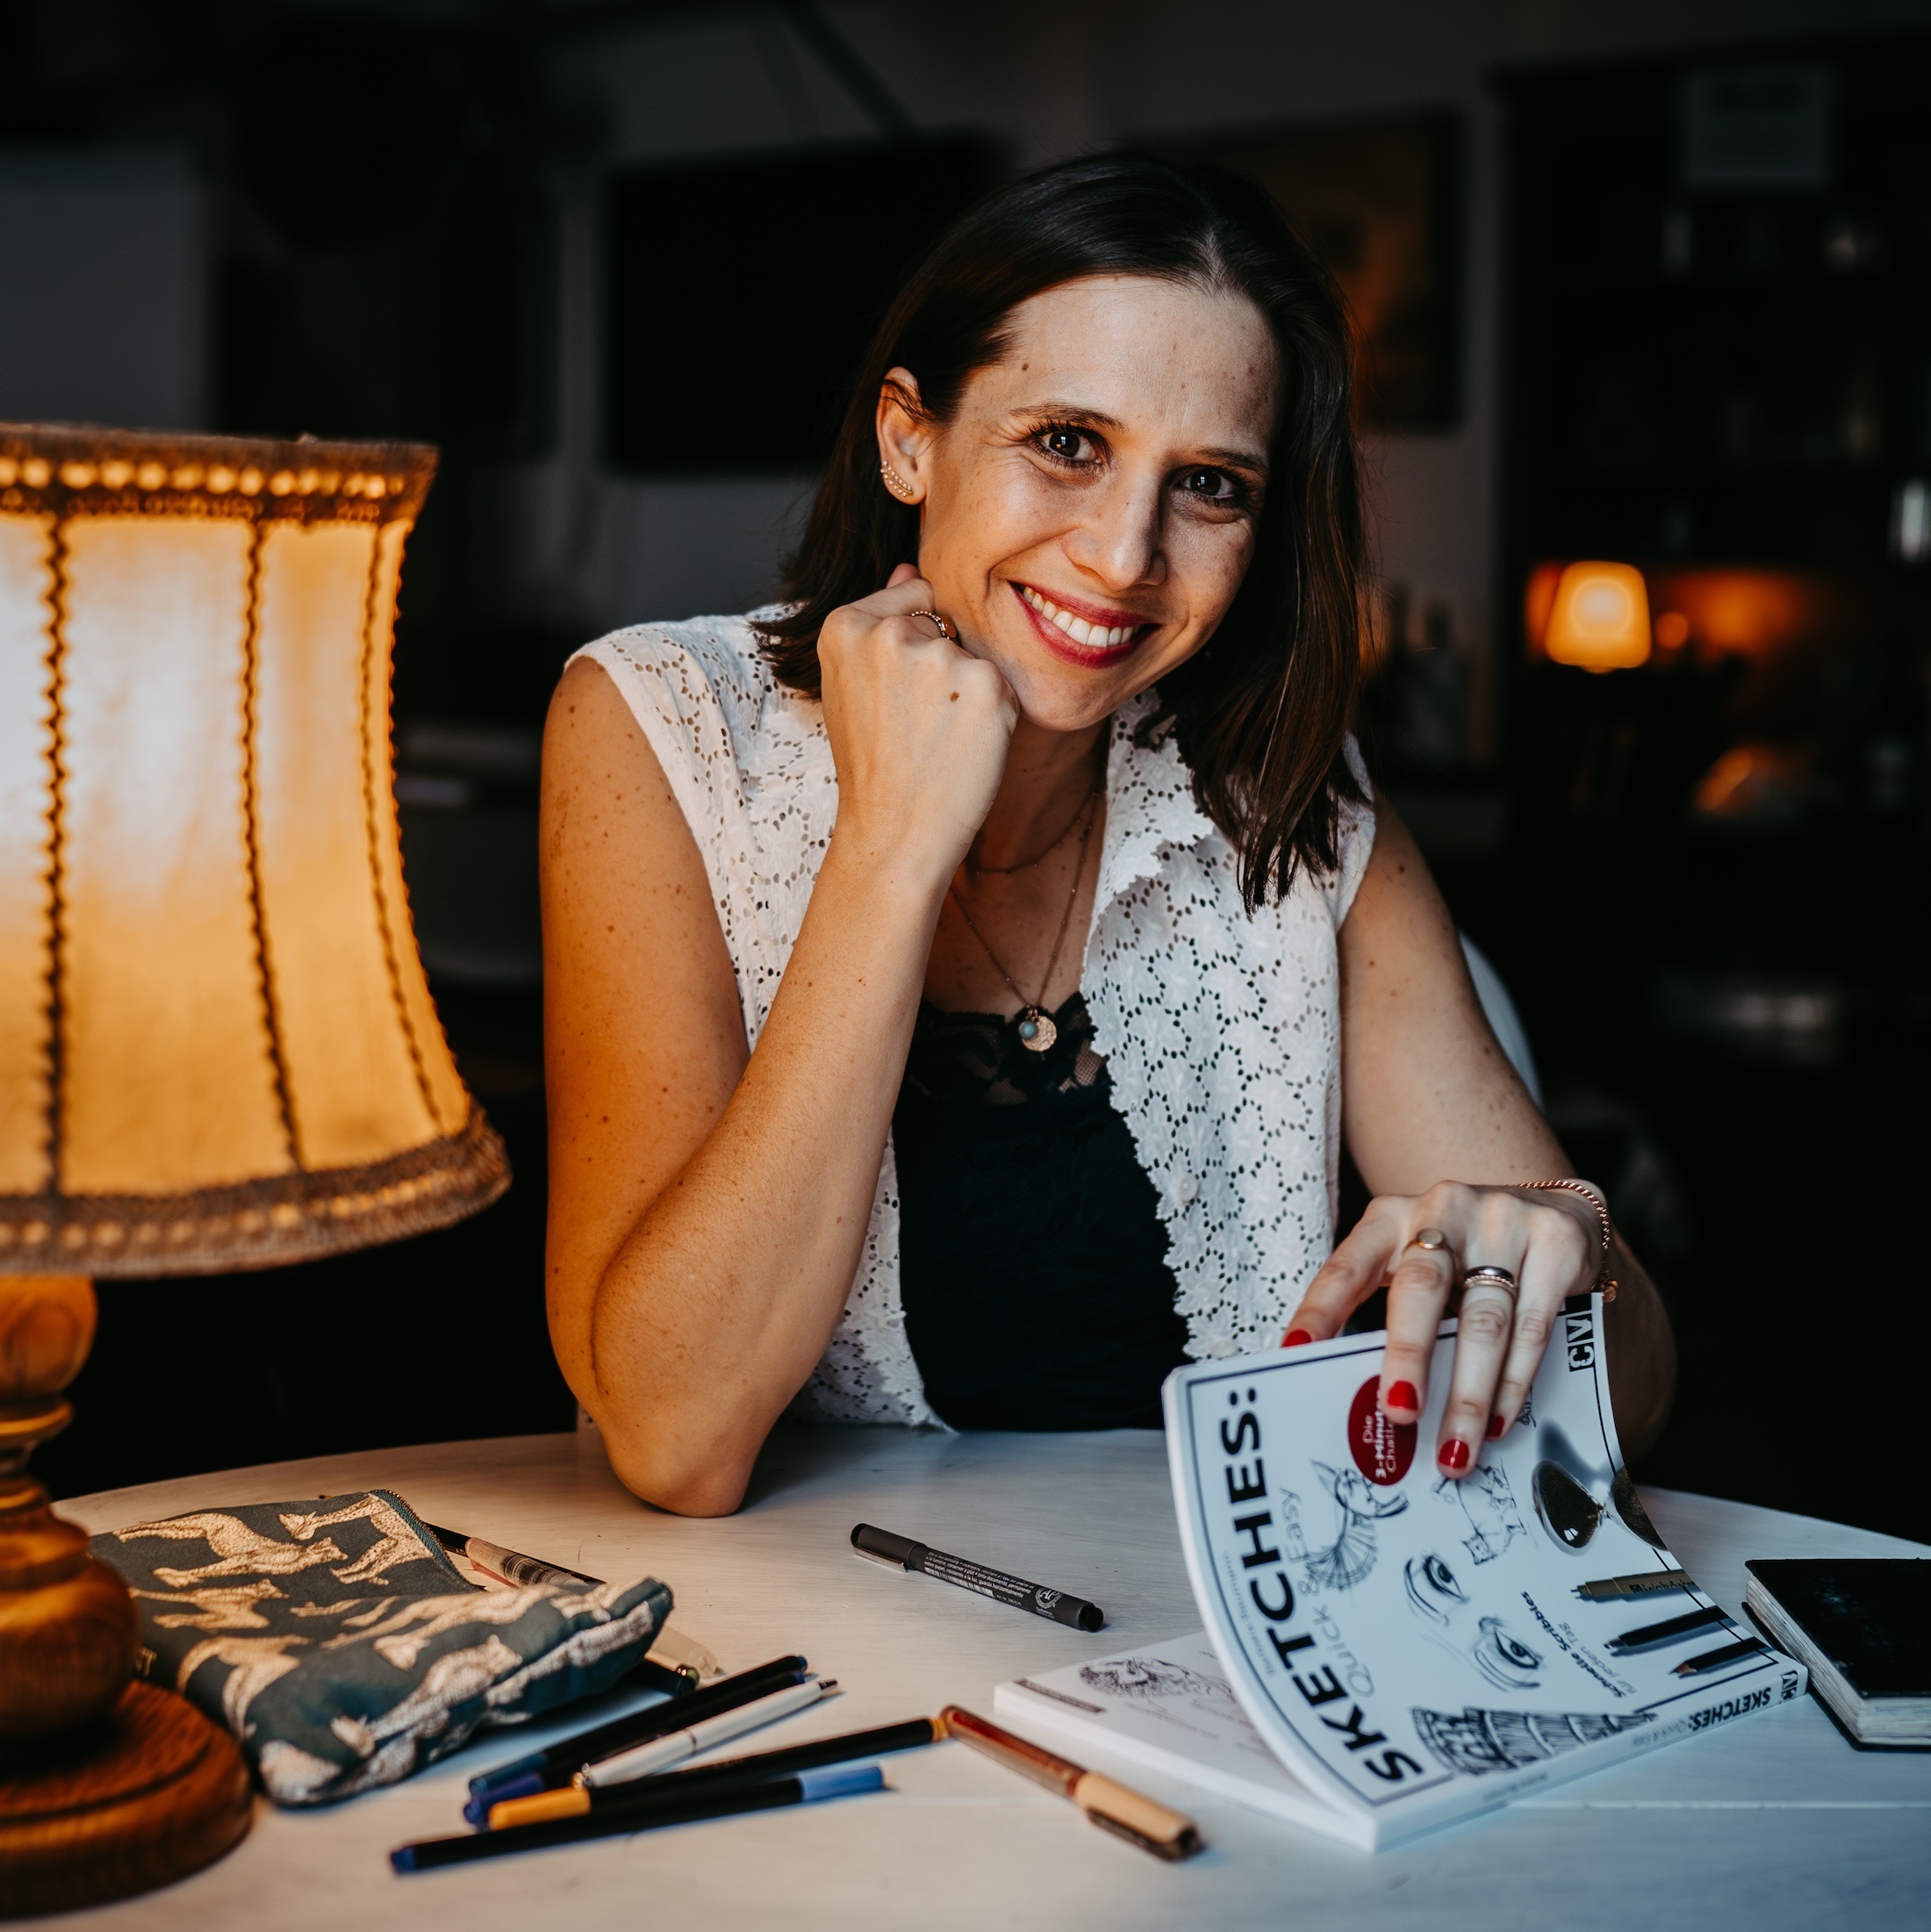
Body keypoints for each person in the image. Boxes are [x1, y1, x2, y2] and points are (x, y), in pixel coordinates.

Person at [540, 154, 1675, 1517]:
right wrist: (892, 853)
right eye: (1067, 443)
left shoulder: (1284, 797)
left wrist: (1575, 1238)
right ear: (910, 436)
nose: (1125, 553)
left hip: (1191, 1646)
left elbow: (1636, 1396)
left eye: (1209, 486)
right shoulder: (658, 727)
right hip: (808, 1630)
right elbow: (676, 1435)